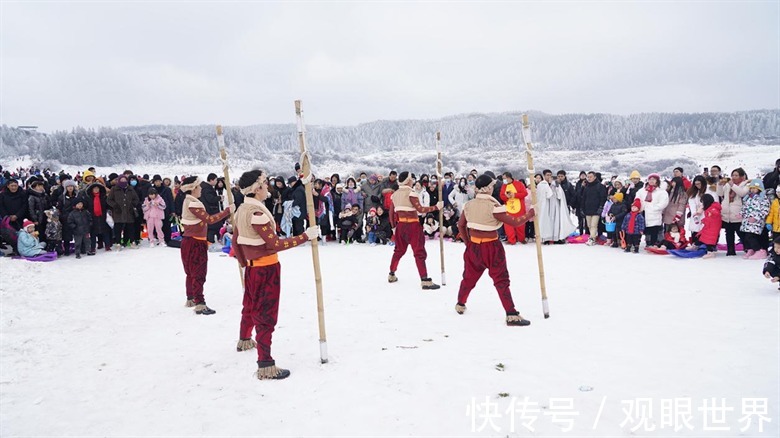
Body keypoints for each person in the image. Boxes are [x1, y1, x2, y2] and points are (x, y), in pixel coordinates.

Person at [233, 169, 317, 380]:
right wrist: (304, 236)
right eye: (264, 184)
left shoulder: (242, 210)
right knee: (266, 315)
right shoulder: (257, 214)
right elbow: (274, 244)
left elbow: (236, 241)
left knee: (250, 306)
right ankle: (265, 363)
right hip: (265, 269)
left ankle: (244, 339)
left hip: (253, 268)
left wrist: (245, 264)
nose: (267, 188)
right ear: (257, 188)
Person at [454, 174, 536, 326]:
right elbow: (515, 222)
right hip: (491, 247)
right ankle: (511, 313)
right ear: (489, 188)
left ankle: (460, 303)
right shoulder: (494, 207)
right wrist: (531, 212)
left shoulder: (469, 205)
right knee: (501, 280)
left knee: (469, 278)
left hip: (473, 246)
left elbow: (460, 225)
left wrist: (468, 243)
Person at [178, 176, 232, 314]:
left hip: (188, 241)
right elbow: (209, 219)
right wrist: (227, 211)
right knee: (198, 272)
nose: (201, 189)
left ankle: (191, 297)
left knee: (190, 272)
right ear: (193, 188)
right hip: (196, 242)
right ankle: (200, 303)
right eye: (199, 186)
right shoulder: (193, 203)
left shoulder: (187, 201)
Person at [388, 171, 442, 289]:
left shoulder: (395, 194)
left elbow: (391, 213)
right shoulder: (411, 193)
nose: (413, 180)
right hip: (412, 226)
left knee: (398, 251)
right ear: (408, 181)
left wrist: (393, 227)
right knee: (419, 252)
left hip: (400, 225)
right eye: (411, 179)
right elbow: (421, 209)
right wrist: (436, 207)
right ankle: (424, 279)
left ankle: (391, 273)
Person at [537, 169, 575, 244]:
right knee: (546, 221)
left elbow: (560, 195)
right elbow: (548, 195)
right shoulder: (541, 185)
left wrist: (557, 187)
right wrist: (550, 185)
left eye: (550, 175)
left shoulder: (556, 184)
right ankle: (546, 238)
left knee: (556, 221)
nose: (549, 177)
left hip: (555, 205)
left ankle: (556, 237)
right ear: (544, 176)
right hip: (546, 206)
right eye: (547, 175)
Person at [717, 168, 749, 256]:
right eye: (733, 175)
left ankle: (748, 248)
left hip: (738, 213)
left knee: (741, 232)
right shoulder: (727, 185)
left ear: (742, 176)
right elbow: (720, 194)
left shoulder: (746, 184)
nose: (734, 177)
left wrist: (732, 185)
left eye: (736, 175)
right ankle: (730, 250)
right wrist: (719, 185)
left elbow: (742, 193)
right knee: (729, 232)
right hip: (727, 212)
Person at [635, 173, 669, 247]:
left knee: (654, 228)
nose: (651, 181)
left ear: (657, 181)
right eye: (650, 179)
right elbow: (638, 197)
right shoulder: (643, 190)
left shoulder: (661, 191)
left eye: (653, 179)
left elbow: (664, 202)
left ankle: (654, 243)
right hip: (644, 211)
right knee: (646, 228)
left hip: (654, 212)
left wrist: (655, 208)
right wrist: (638, 204)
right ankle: (647, 242)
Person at [107, 174, 140, 249]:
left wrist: (132, 205)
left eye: (125, 180)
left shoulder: (130, 189)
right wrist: (115, 206)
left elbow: (136, 199)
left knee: (130, 227)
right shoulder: (114, 189)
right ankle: (118, 243)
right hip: (118, 212)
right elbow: (109, 200)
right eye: (121, 181)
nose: (123, 182)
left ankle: (132, 241)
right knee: (118, 228)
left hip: (129, 211)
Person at [740, 179, 770, 260]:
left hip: (756, 222)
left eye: (755, 188)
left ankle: (759, 250)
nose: (753, 190)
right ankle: (751, 249)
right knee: (746, 236)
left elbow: (765, 210)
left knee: (751, 236)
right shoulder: (748, 197)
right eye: (751, 188)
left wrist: (756, 218)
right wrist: (741, 214)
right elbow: (745, 207)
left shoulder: (763, 198)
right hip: (747, 221)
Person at [498, 172, 529, 244]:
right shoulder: (504, 186)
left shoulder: (519, 184)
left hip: (519, 207)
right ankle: (511, 240)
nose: (504, 180)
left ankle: (521, 239)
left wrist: (515, 195)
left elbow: (525, 193)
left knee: (520, 223)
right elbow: (501, 196)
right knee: (508, 225)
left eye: (505, 178)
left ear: (509, 178)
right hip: (508, 207)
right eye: (503, 179)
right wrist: (506, 197)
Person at [580, 171, 608, 245]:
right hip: (587, 209)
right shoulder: (586, 187)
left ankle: (592, 238)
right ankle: (593, 237)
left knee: (594, 225)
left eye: (590, 177)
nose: (589, 178)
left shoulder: (600, 186)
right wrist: (582, 208)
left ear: (595, 177)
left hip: (596, 209)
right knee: (589, 225)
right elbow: (583, 199)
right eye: (588, 177)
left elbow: (603, 198)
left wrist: (601, 207)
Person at [691, 194, 722, 259]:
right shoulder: (710, 208)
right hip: (709, 226)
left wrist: (705, 220)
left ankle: (710, 252)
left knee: (709, 240)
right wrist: (704, 220)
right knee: (702, 237)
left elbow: (714, 216)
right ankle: (695, 245)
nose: (702, 203)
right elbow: (709, 218)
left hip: (713, 228)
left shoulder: (713, 208)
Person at [85, 183, 112, 253]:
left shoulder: (103, 197)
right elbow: (86, 207)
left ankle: (107, 246)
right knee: (93, 233)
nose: (96, 190)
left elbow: (108, 206)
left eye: (97, 188)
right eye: (94, 188)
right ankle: (93, 248)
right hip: (92, 217)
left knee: (105, 232)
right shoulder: (88, 198)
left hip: (103, 216)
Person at [199, 173, 222, 243]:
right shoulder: (207, 188)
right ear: (211, 180)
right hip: (210, 210)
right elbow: (210, 199)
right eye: (215, 180)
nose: (216, 182)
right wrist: (219, 198)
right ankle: (210, 241)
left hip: (209, 210)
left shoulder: (205, 187)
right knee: (212, 227)